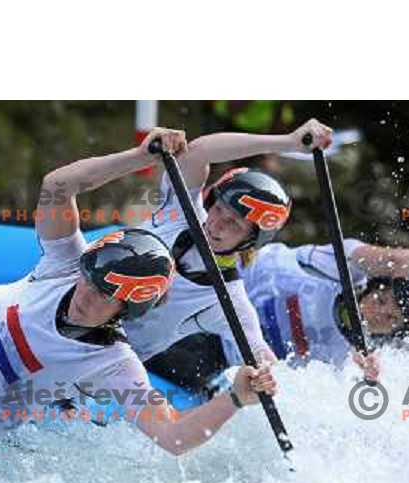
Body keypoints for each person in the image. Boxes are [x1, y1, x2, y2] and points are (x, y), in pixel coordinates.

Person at [0, 128, 275, 454]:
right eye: (91, 278)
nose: (86, 293)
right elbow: (58, 184)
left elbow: (173, 437)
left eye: (104, 295)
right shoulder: (65, 263)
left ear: (126, 310)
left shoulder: (113, 363)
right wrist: (138, 157)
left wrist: (236, 398)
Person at [123, 119, 337, 394]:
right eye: (220, 209)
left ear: (250, 241)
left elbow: (261, 355)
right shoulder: (177, 211)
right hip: (62, 310)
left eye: (234, 224)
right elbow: (199, 151)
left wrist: (265, 379)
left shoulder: (229, 300)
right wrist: (288, 142)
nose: (217, 224)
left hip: (99, 363)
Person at [233, 238, 409, 373]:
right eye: (381, 301)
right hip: (223, 278)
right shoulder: (340, 267)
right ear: (375, 288)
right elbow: (400, 260)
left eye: (392, 319)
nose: (377, 313)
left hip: (222, 354)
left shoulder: (351, 362)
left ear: (394, 333)